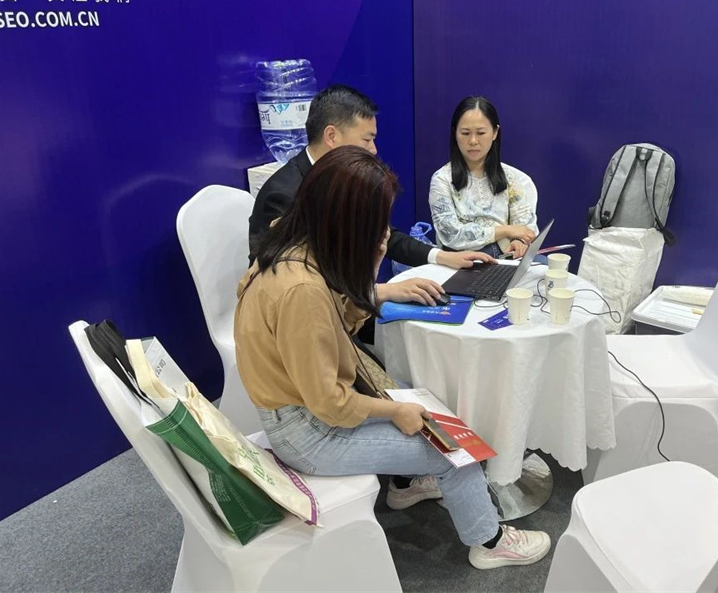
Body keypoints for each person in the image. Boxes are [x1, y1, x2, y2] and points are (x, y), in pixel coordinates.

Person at [234, 146, 551, 569]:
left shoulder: (293, 242)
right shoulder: (301, 291)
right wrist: (395, 411)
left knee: (423, 403)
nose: (383, 230)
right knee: (453, 449)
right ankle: (490, 542)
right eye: (377, 223)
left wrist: (375, 260)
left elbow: (338, 323)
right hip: (307, 432)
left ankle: (404, 484)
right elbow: (329, 403)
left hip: (302, 408)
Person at [249, 84, 494, 306]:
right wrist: (382, 291)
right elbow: (298, 287)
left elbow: (383, 233)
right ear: (332, 136)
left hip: (350, 299)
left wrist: (442, 256)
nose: (373, 150)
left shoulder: (344, 180)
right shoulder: (284, 195)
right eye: (367, 139)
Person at [429, 96, 539, 259]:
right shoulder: (442, 179)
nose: (473, 141)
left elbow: (525, 228)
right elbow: (450, 233)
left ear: (495, 133)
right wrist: (506, 231)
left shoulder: (512, 177)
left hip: (505, 257)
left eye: (481, 133)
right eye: (465, 133)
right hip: (462, 260)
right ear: (455, 133)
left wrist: (519, 242)